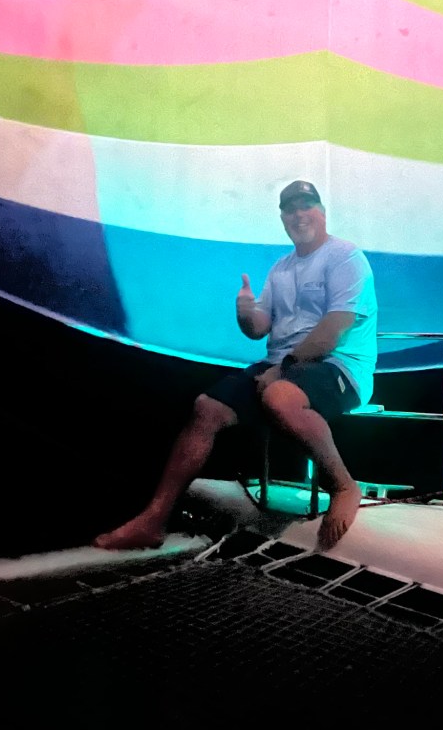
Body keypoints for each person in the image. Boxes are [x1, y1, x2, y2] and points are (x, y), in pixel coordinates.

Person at [93, 180, 378, 553]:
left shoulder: (345, 257)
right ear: (282, 218)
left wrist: (282, 368)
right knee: (206, 407)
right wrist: (245, 312)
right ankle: (154, 520)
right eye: (289, 208)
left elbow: (334, 328)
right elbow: (259, 328)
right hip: (283, 367)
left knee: (279, 396)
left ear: (322, 212)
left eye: (306, 205)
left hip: (338, 367)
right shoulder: (281, 268)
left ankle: (343, 486)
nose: (298, 214)